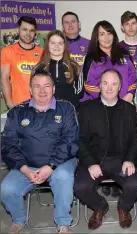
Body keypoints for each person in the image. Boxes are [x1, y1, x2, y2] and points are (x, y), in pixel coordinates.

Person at [0, 70, 79, 234]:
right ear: (30, 89)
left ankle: (63, 223)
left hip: (59, 163)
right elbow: (7, 145)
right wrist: (24, 169)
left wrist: (51, 166)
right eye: (37, 86)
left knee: (63, 177)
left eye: (47, 86)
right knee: (6, 189)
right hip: (26, 165)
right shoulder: (17, 112)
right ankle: (18, 220)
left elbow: (70, 141)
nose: (42, 91)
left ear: (53, 89)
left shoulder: (65, 108)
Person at [74, 69, 137, 230]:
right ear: (99, 85)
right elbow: (80, 141)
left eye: (114, 84)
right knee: (80, 187)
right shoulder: (86, 109)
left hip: (121, 160)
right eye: (105, 83)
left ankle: (123, 208)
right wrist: (90, 163)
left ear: (120, 87)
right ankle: (100, 207)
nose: (109, 88)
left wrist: (130, 159)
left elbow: (136, 139)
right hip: (95, 160)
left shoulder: (129, 110)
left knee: (134, 185)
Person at [81, 20, 137, 104]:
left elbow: (133, 76)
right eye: (102, 34)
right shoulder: (91, 58)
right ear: (97, 37)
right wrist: (106, 98)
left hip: (125, 103)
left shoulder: (124, 54)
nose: (106, 38)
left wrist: (130, 94)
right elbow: (88, 85)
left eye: (109, 33)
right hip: (101, 105)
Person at [32, 30, 84, 109]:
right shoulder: (38, 69)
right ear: (47, 45)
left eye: (60, 43)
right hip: (45, 113)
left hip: (69, 114)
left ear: (65, 46)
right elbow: (35, 92)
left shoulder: (75, 67)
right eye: (53, 43)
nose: (57, 46)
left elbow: (79, 93)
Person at [1, 16, 43, 108]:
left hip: (40, 104)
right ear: (18, 30)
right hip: (19, 105)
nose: (28, 34)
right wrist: (9, 103)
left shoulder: (42, 52)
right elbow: (4, 78)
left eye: (31, 30)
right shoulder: (8, 51)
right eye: (25, 29)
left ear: (35, 32)